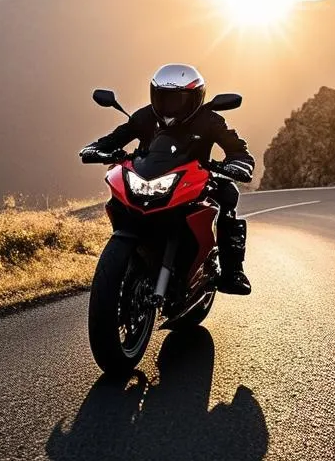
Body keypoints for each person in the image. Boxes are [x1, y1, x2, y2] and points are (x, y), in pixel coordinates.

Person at [80, 63, 254, 295]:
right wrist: (96, 149)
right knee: (121, 201)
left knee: (229, 193)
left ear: (194, 98)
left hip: (194, 180)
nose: (169, 106)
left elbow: (237, 149)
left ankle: (233, 271)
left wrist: (238, 163)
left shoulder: (209, 120)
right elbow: (115, 138)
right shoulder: (145, 116)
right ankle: (127, 265)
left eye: (177, 99)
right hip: (149, 177)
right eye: (163, 97)